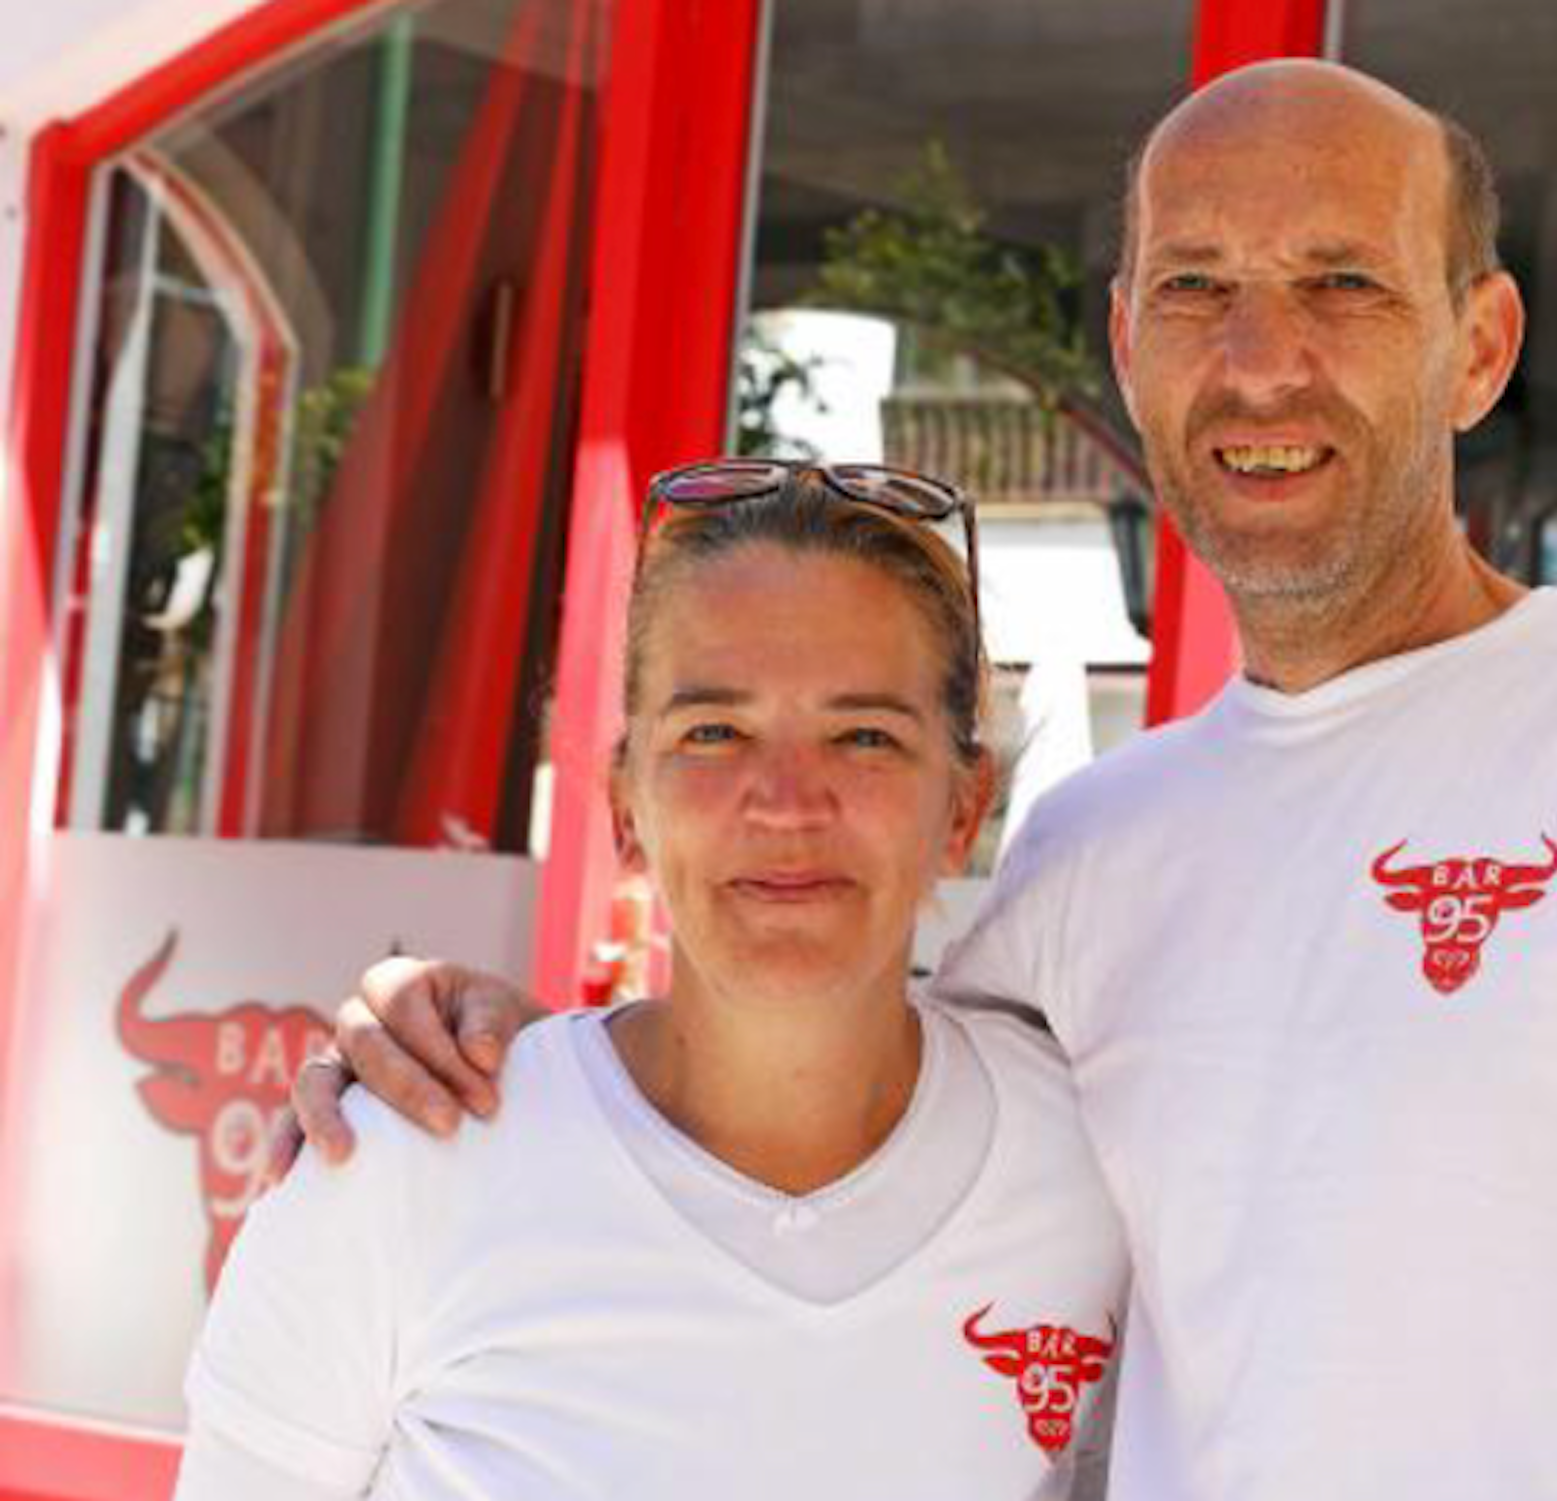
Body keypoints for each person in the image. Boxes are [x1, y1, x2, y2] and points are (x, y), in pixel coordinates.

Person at [296, 61, 1557, 1501]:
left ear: (1479, 343)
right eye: (1194, 285)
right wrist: (508, 1059)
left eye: (1341, 284)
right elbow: (809, 1119)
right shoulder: (1093, 843)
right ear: (1126, 344)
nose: (1258, 360)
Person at [179, 463, 1128, 1500]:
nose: (784, 803)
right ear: (626, 805)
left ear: (962, 807)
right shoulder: (401, 1167)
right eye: (713, 732)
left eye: (864, 736)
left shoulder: (1085, 1174)